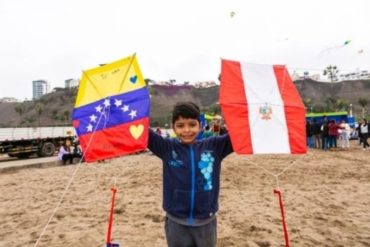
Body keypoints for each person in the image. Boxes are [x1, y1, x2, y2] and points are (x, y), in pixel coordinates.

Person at [148, 102, 233, 247]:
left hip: (206, 221)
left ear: (200, 125)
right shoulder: (166, 148)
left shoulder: (215, 146)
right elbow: (142, 131)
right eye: (180, 125)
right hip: (176, 221)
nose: (187, 130)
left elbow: (241, 133)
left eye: (192, 124)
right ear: (173, 127)